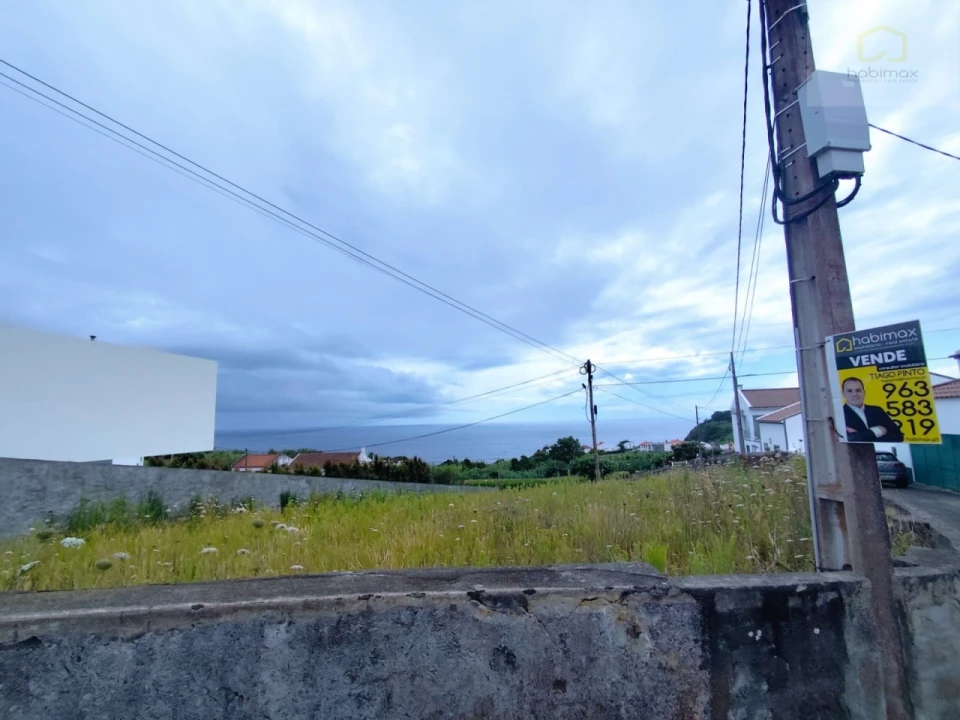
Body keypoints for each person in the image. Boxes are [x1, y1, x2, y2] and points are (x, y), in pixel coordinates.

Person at [841, 376, 904, 443]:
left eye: (858, 390)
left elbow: (898, 437)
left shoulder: (877, 411)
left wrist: (862, 436)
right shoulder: (840, 415)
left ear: (864, 392)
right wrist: (877, 431)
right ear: (843, 394)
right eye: (849, 391)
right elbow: (851, 440)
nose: (855, 394)